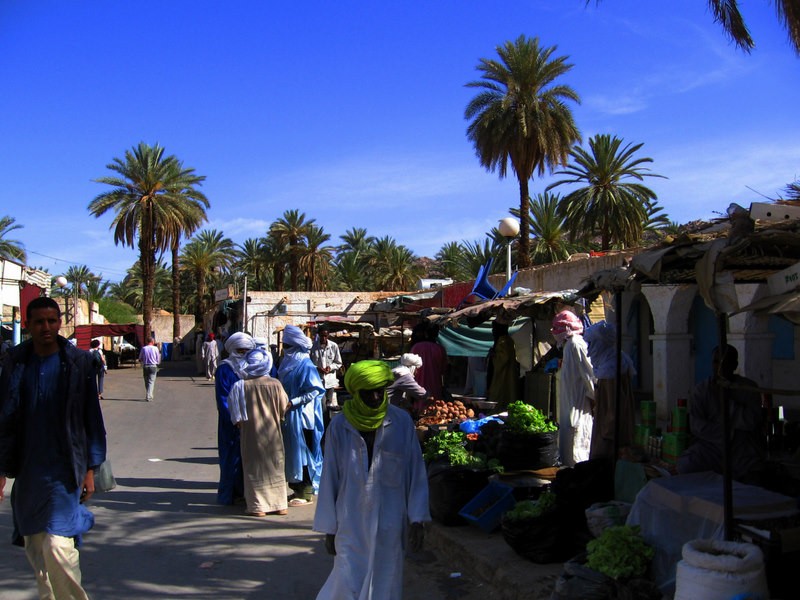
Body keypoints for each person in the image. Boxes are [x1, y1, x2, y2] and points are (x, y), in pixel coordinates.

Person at [0, 296, 106, 600]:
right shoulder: (16, 363)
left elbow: (91, 420)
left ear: (60, 323)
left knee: (58, 546)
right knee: (37, 549)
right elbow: (3, 417)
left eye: (52, 320)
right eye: (39, 321)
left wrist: (90, 469)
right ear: (28, 325)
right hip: (29, 471)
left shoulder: (78, 363)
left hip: (66, 469)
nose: (46, 327)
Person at [313, 360, 430, 600]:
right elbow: (330, 478)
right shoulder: (339, 426)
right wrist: (329, 528)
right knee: (347, 579)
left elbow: (416, 473)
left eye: (381, 390)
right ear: (356, 392)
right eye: (369, 392)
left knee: (386, 581)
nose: (376, 397)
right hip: (349, 520)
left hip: (390, 520)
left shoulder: (401, 422)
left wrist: (417, 520)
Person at [678, 345, 767, 483]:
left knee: (755, 474)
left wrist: (727, 403)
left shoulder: (748, 388)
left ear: (734, 365)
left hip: (741, 449)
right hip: (711, 447)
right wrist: (726, 433)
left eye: (725, 363)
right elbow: (697, 426)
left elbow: (752, 421)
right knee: (686, 465)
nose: (720, 367)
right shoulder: (701, 390)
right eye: (716, 362)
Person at [228, 346, 290, 517]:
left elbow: (236, 416)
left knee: (254, 468)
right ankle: (280, 505)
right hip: (273, 434)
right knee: (276, 466)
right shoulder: (276, 384)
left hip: (251, 435)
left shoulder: (240, 386)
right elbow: (284, 407)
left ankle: (258, 507)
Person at [278, 324, 325, 506]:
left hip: (303, 416)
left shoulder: (305, 364)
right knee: (292, 452)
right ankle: (297, 488)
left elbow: (315, 390)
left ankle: (306, 491)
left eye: (288, 346)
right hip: (289, 415)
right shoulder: (287, 364)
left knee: (304, 453)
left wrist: (294, 402)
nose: (286, 350)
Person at [584, 320, 637, 460]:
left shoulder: (610, 369)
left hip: (610, 437)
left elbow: (613, 410)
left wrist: (605, 436)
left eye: (592, 344)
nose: (589, 350)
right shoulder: (614, 361)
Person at [214, 332, 256, 505]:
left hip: (252, 421)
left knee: (249, 459)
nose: (243, 354)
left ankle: (246, 494)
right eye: (240, 351)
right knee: (230, 457)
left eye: (246, 351)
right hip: (231, 423)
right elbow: (223, 398)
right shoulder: (225, 369)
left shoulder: (254, 367)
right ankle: (229, 494)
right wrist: (235, 418)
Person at [551, 309, 595, 466]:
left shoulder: (577, 344)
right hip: (569, 403)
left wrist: (595, 398)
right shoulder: (569, 345)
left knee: (578, 446)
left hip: (579, 403)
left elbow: (589, 375)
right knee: (569, 444)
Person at [410, 322, 448, 403]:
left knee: (418, 410)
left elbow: (410, 370)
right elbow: (444, 371)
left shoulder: (415, 347)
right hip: (435, 386)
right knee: (434, 409)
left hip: (417, 386)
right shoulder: (440, 349)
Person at [486, 320, 521, 409]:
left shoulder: (504, 341)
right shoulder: (502, 340)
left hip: (503, 376)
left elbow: (503, 358)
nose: (493, 332)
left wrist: (493, 355)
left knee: (500, 396)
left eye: (494, 329)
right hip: (500, 375)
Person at [310, 323, 343, 409]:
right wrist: (317, 368)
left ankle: (328, 421)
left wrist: (330, 367)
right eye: (321, 336)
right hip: (318, 381)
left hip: (330, 381)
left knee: (329, 405)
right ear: (318, 335)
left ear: (328, 335)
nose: (323, 338)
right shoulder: (312, 347)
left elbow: (338, 363)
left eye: (325, 336)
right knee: (322, 404)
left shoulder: (334, 346)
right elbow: (308, 364)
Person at [387, 352, 428, 417]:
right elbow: (421, 393)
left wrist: (409, 405)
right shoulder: (403, 375)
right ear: (412, 367)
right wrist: (429, 396)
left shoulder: (396, 371)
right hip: (386, 409)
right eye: (416, 369)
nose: (417, 372)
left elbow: (397, 395)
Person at [139, 337, 161, 402]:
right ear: (152, 341)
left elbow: (140, 358)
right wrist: (157, 362)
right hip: (153, 366)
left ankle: (149, 394)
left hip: (145, 366)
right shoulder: (156, 348)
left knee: (146, 381)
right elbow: (158, 358)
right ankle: (149, 396)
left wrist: (143, 361)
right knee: (151, 381)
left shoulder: (144, 348)